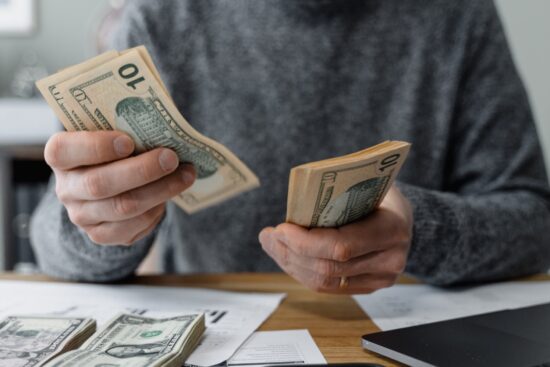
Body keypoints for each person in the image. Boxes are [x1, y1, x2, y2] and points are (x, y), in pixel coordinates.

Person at [30, 0, 550, 293]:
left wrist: (422, 231)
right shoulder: (159, 18)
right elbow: (54, 241)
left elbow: (534, 219)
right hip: (219, 337)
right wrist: (99, 222)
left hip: (408, 334)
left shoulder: (459, 16)